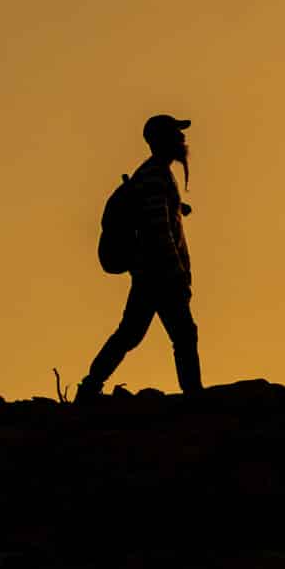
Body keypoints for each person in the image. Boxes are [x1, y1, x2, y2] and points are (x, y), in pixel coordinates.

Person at [78, 113, 204, 400]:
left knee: (131, 333)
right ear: (161, 140)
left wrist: (178, 208)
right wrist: (177, 274)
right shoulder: (155, 176)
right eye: (176, 133)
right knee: (183, 334)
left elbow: (155, 216)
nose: (182, 139)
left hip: (148, 272)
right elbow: (157, 231)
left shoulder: (153, 174)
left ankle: (90, 385)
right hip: (159, 273)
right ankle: (194, 395)